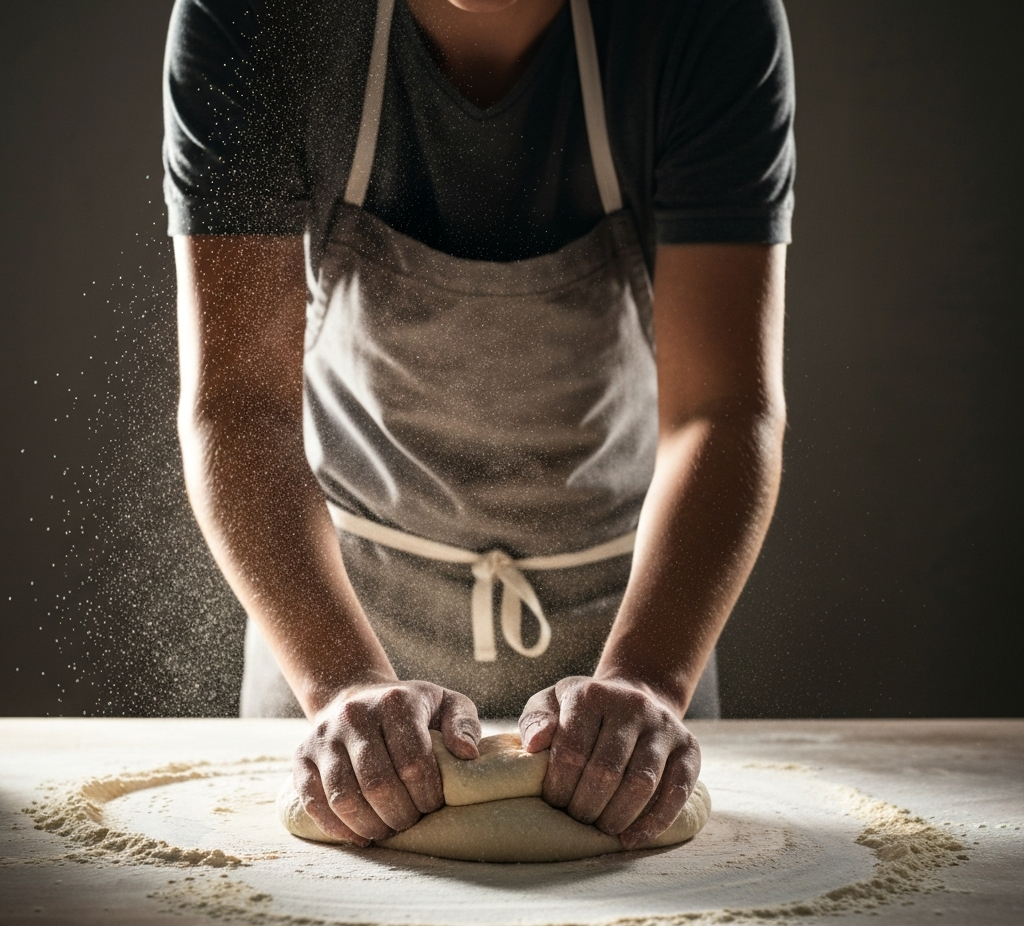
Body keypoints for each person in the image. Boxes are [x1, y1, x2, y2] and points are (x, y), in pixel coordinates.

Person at [164, 0, 793, 849]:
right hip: (339, 623)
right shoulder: (256, 16)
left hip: (629, 620)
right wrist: (343, 684)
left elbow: (721, 409)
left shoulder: (703, 21)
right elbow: (240, 408)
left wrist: (647, 679)